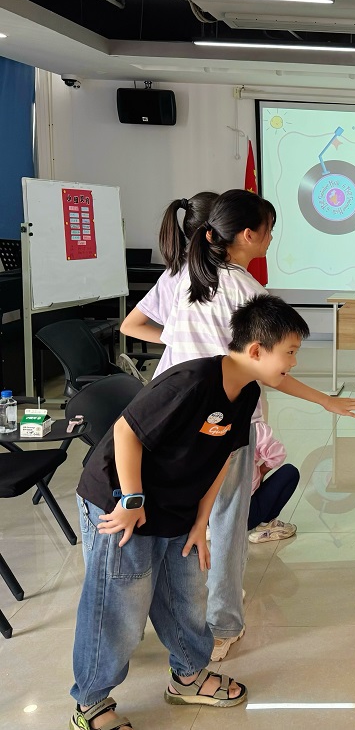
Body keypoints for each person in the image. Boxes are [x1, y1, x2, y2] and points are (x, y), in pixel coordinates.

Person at [123, 189, 355, 661]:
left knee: (175, 521)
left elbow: (136, 326)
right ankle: (221, 626)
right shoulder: (248, 294)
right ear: (247, 235)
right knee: (227, 526)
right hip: (226, 424)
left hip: (170, 418)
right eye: (269, 230)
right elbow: (271, 371)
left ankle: (157, 623)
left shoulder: (182, 274)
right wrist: (326, 400)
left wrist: (180, 342)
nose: (272, 239)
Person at [70, 294, 309, 730]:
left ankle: (188, 676)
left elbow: (221, 459)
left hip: (177, 505)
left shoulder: (246, 392)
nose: (293, 363)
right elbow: (125, 433)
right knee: (120, 607)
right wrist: (132, 500)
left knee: (187, 595)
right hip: (123, 502)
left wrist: (201, 523)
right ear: (257, 350)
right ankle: (91, 704)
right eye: (290, 352)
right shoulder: (193, 380)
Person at [120, 192, 219, 373]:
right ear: (212, 232)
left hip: (176, 372)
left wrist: (175, 339)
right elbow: (129, 326)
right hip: (193, 374)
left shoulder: (175, 271)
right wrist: (178, 339)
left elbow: (129, 325)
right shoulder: (207, 274)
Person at [247, 420, 300, 543]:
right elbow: (278, 454)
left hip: (212, 516)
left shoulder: (205, 431)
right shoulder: (253, 429)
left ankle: (210, 528)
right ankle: (266, 525)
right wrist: (261, 471)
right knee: (290, 472)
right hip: (247, 516)